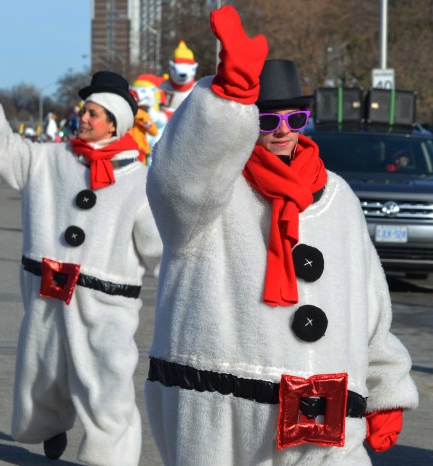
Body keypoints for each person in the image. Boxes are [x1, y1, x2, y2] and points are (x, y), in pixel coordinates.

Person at [144, 6, 418, 466]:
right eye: (268, 122)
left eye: (295, 119)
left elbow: (368, 299)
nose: (283, 133)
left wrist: (386, 385)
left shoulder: (339, 196)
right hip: (223, 409)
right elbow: (177, 180)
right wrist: (225, 103)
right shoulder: (214, 192)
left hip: (327, 412)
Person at [0, 62, 162, 465]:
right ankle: (50, 426)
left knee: (107, 384)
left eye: (92, 113)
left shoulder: (141, 182)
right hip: (46, 293)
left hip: (105, 305)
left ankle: (110, 457)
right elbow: (5, 149)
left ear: (113, 124)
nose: (82, 117)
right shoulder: (47, 159)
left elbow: (159, 248)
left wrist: (188, 282)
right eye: (84, 110)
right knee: (45, 370)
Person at [127, 92, 158, 164]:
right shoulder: (140, 114)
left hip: (139, 151)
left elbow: (154, 131)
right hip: (130, 150)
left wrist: (143, 120)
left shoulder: (143, 116)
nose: (147, 109)